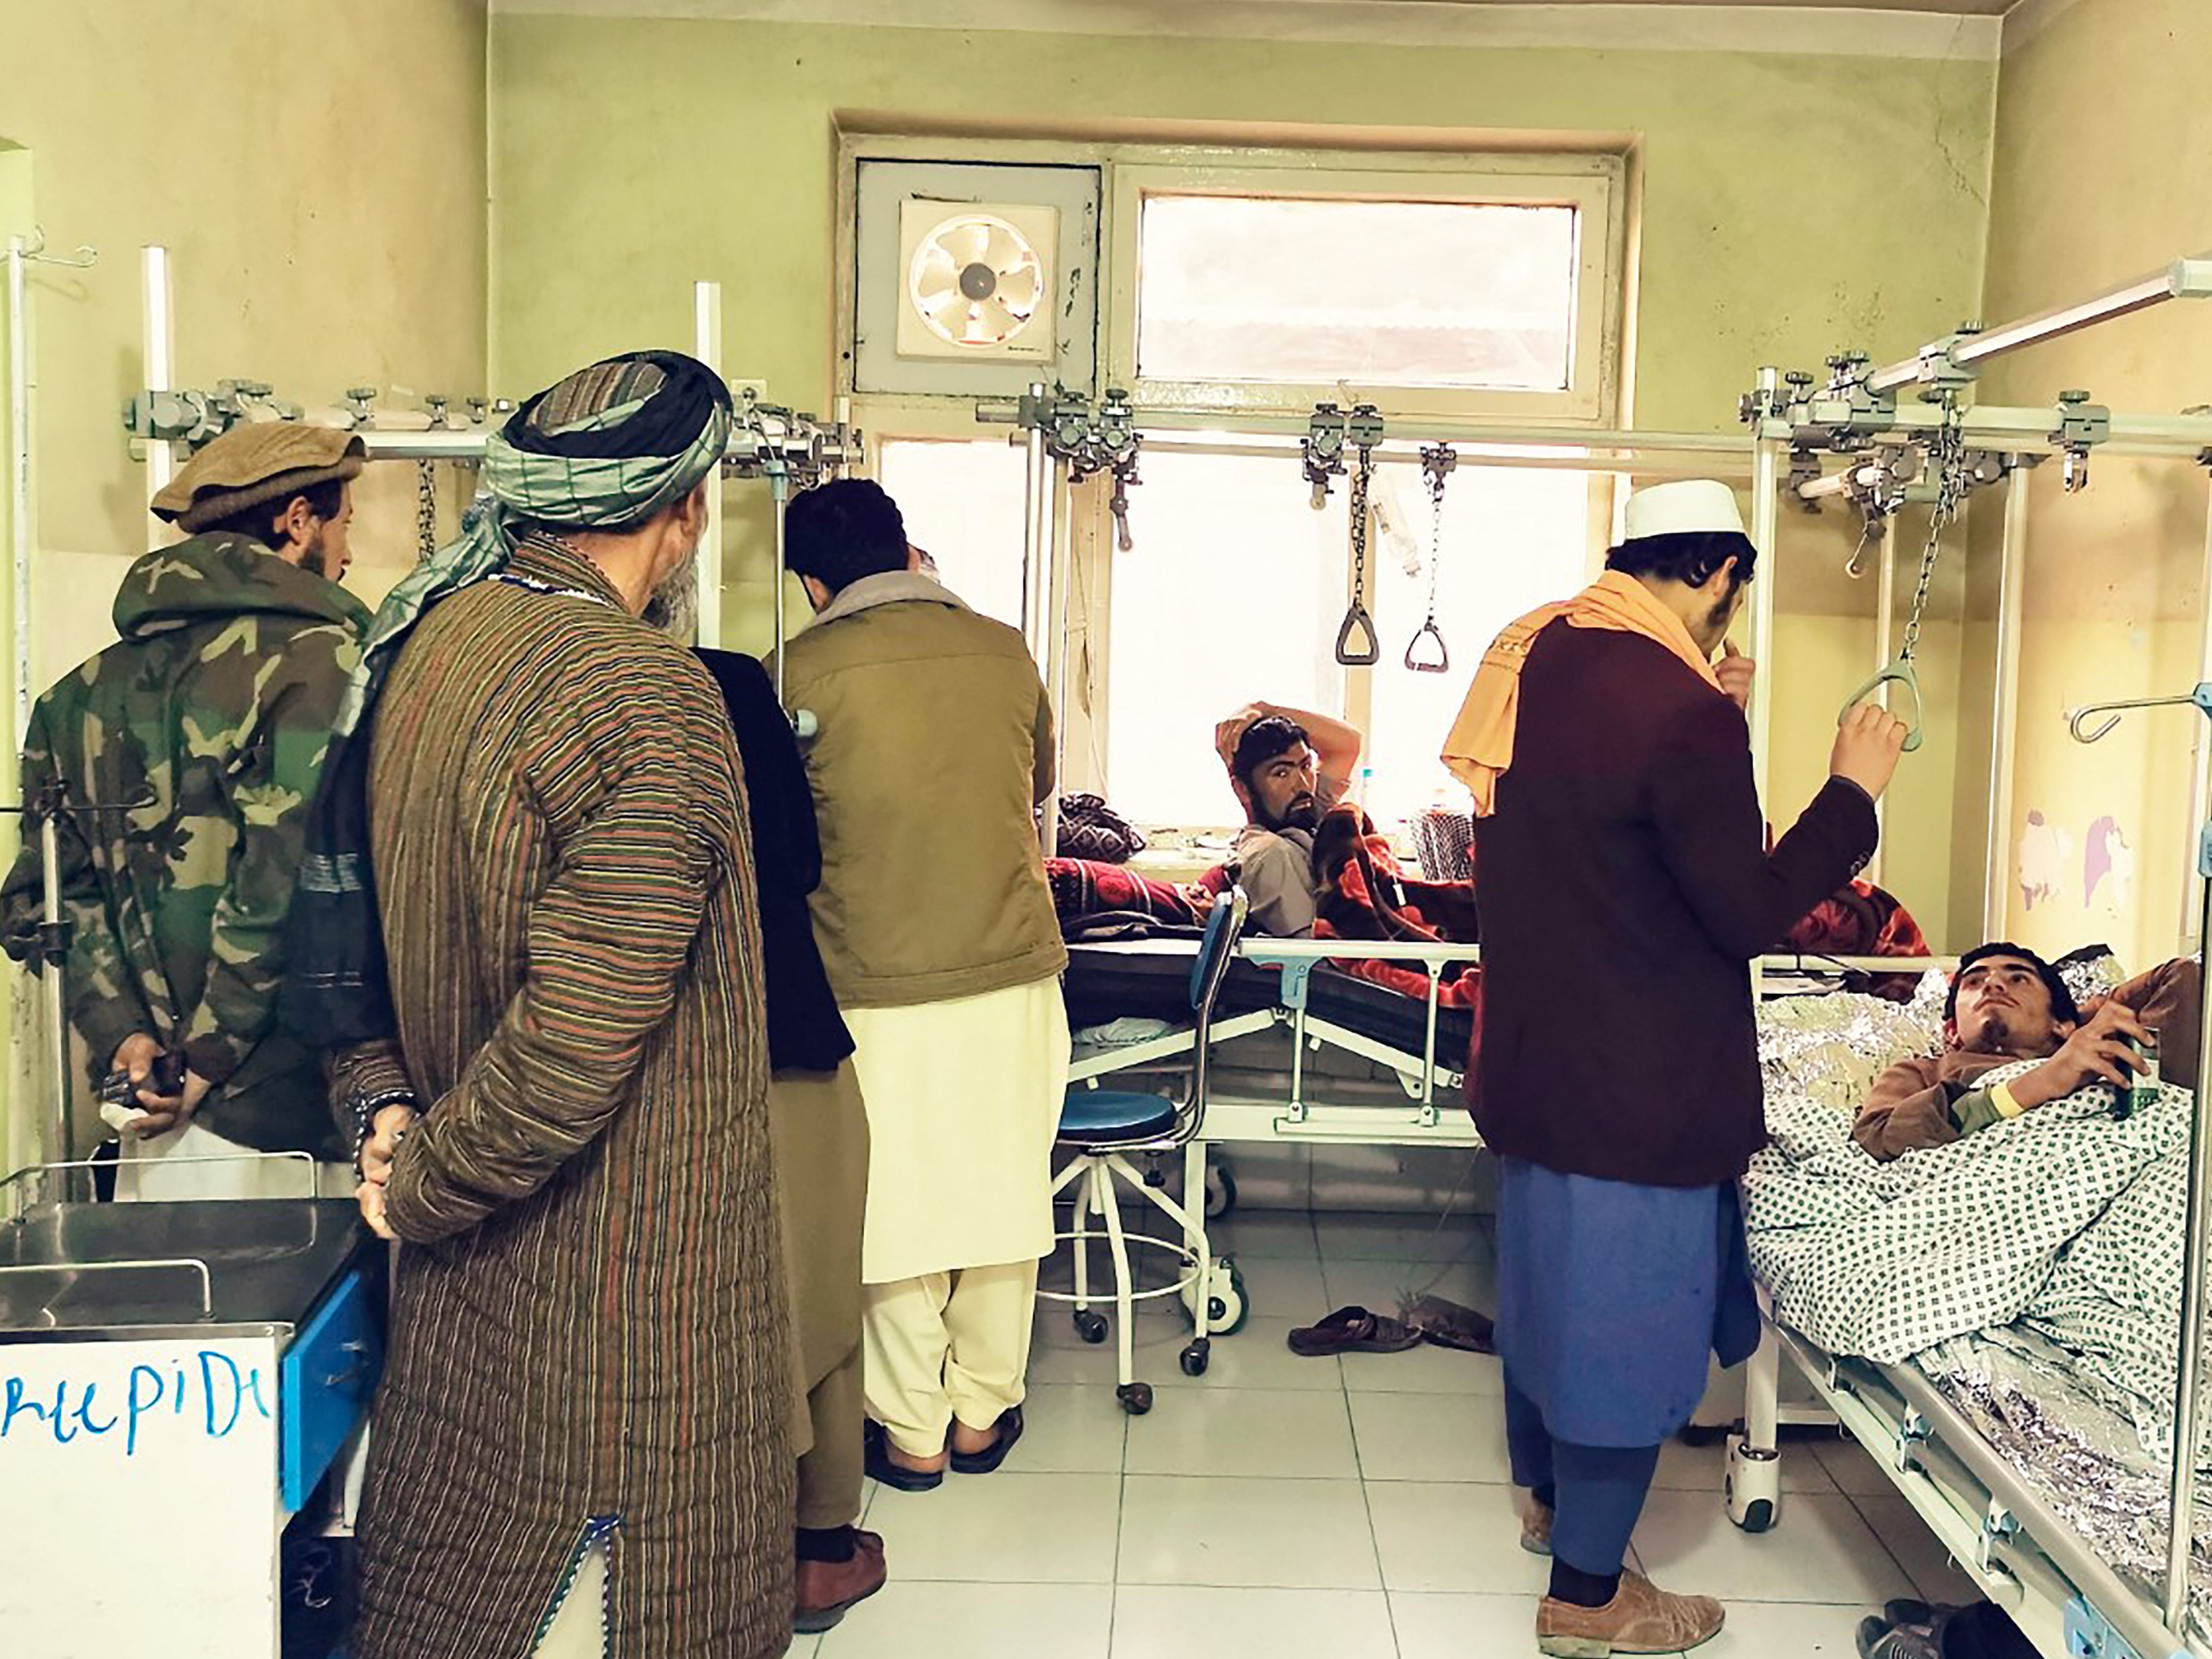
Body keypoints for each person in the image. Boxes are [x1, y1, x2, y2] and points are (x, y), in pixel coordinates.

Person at [339, 352, 793, 1658]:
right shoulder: (645, 693)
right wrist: (419, 1177)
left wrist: (382, 1108)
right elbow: (572, 1043)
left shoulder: (432, 641)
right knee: (608, 1607)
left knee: (458, 1601)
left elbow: (351, 928)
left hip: (466, 1284)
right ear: (687, 508)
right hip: (620, 1296)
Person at [1442, 477, 1909, 1657]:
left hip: (1537, 1061)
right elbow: (1743, 907)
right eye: (1728, 603)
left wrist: (1711, 710)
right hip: (1634, 1087)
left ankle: (1551, 1504)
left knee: (1546, 1305)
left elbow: (1610, 821)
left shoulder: (1538, 645)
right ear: (1717, 575)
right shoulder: (1679, 705)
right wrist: (1850, 790)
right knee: (1620, 1331)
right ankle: (1589, 1597)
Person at [776, 478, 1068, 1492]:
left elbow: (783, 831)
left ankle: (913, 1433)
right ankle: (986, 1409)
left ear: (813, 583)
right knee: (999, 1192)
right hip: (1010, 971)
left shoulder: (798, 668)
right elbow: (1031, 784)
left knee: (889, 1209)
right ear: (906, 551)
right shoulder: (1002, 648)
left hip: (868, 979)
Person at [0, 424, 370, 1198]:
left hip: (154, 1118)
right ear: (297, 521)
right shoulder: (320, 662)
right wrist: (207, 1057)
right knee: (308, 1322)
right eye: (344, 526)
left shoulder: (75, 693)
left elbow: (47, 900)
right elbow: (288, 885)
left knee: (174, 1315)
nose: (347, 555)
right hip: (298, 1120)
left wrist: (130, 1045)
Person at [695, 645, 887, 1633]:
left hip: (618, 1056)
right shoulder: (725, 684)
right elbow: (797, 859)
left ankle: (714, 1545)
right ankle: (813, 1548)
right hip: (777, 1030)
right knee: (812, 1285)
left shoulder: (500, 676)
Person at [1853, 943, 2201, 1161]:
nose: (1992, 984)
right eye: (1974, 982)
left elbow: (2182, 977)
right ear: (1951, 1031)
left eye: (2018, 978)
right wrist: (2039, 1083)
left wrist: (2078, 1021)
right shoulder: (1920, 1073)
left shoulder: (2100, 1057)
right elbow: (1878, 1139)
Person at [1213, 701, 1364, 936]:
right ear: (1243, 790)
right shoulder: (1271, 854)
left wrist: (1264, 709)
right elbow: (1308, 957)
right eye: (1281, 773)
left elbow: (1347, 744)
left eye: (1305, 766)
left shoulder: (1306, 810)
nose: (1303, 785)